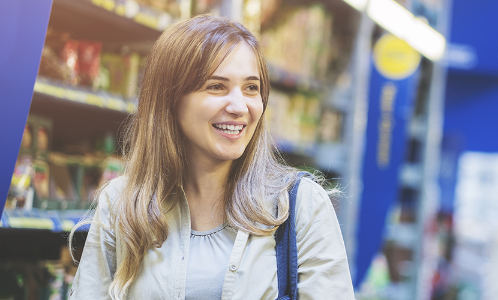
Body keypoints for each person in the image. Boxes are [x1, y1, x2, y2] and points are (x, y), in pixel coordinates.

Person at [69, 15, 355, 299]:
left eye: (251, 88)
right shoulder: (123, 203)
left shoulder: (299, 206)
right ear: (170, 99)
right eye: (216, 86)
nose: (239, 106)